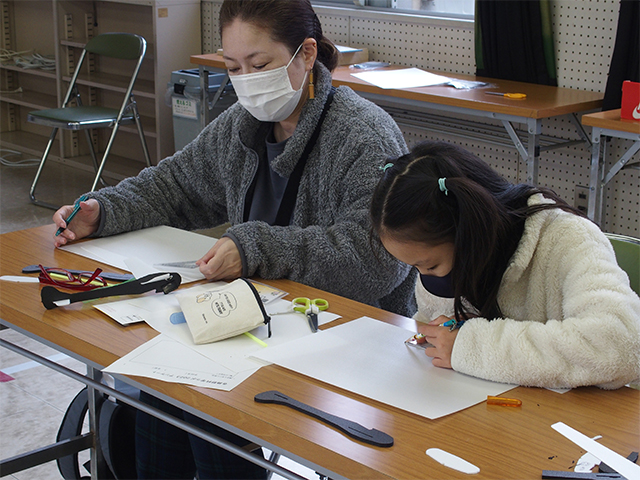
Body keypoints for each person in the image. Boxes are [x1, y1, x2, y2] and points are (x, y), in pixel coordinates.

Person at [52, 0, 416, 477]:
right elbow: (176, 183)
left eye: (260, 65)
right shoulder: (243, 125)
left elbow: (377, 259)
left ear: (306, 54)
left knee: (207, 403)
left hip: (343, 338)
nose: (246, 80)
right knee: (163, 391)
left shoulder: (363, 136)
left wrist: (255, 249)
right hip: (259, 324)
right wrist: (105, 211)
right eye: (232, 67)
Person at [371, 140, 640, 390]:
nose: (425, 278)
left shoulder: (568, 239)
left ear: (469, 233)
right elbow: (441, 331)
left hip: (578, 425)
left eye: (429, 266)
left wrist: (471, 346)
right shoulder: (444, 252)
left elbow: (620, 344)